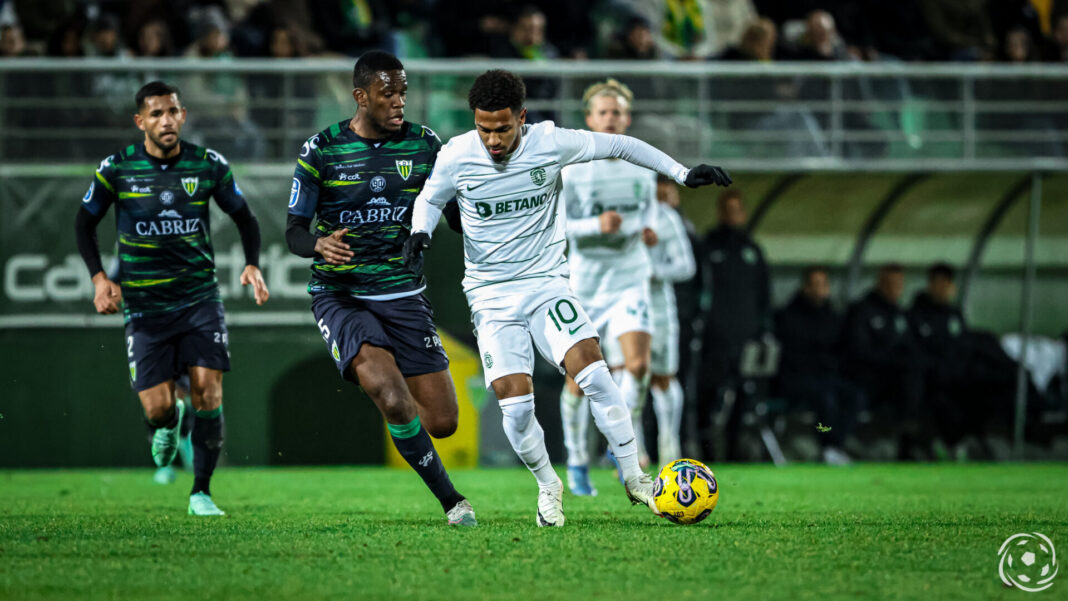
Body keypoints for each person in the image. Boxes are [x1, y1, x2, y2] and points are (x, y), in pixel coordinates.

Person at [404, 69, 731, 526]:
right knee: (515, 411)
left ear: (521, 117)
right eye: (484, 128)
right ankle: (548, 484)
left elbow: (620, 144)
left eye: (502, 128)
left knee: (597, 375)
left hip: (546, 283)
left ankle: (636, 478)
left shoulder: (551, 142)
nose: (493, 139)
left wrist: (680, 172)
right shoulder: (457, 154)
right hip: (491, 296)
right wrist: (420, 232)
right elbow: (430, 198)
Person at [285, 51, 475, 527]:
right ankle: (454, 502)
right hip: (341, 295)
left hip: (404, 294)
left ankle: (392, 397)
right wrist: (318, 245)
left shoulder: (424, 145)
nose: (398, 102)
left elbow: (452, 214)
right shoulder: (322, 150)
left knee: (443, 421)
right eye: (388, 93)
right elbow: (293, 232)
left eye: (403, 93)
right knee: (391, 397)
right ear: (360, 96)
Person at [74, 81, 270, 516]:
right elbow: (83, 224)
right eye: (156, 114)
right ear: (140, 121)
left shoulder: (207, 164)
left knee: (208, 394)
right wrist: (99, 279)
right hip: (144, 307)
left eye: (173, 112)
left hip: (199, 300)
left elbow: (245, 218)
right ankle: (163, 425)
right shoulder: (118, 168)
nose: (166, 120)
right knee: (161, 407)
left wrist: (252, 263)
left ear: (183, 116)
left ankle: (200, 492)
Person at [557, 78, 659, 496]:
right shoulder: (574, 169)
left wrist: (648, 231)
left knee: (637, 367)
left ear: (627, 118)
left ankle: (624, 452)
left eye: (617, 112)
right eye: (604, 112)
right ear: (590, 119)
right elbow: (559, 225)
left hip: (630, 277)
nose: (612, 118)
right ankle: (577, 460)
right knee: (578, 381)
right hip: (586, 283)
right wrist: (595, 226)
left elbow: (649, 218)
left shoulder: (643, 166)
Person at [697, 189, 770, 461]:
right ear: (720, 212)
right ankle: (707, 454)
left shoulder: (753, 251)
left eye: (737, 209)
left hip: (745, 339)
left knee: (743, 397)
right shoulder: (708, 247)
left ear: (744, 213)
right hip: (713, 340)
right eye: (727, 209)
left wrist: (763, 331)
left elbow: (764, 295)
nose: (732, 214)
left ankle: (734, 452)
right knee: (709, 394)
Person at [773, 266, 863, 465]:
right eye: (814, 284)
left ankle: (835, 445)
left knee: (854, 396)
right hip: (797, 380)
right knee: (825, 399)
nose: (819, 289)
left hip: (827, 378)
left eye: (823, 284)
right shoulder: (788, 316)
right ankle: (828, 444)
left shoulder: (833, 316)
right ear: (805, 287)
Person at [841, 263, 926, 459]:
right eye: (890, 283)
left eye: (899, 284)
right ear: (879, 283)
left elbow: (912, 348)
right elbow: (859, 351)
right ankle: (835, 441)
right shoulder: (862, 311)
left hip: (897, 380)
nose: (895, 288)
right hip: (868, 379)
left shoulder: (901, 315)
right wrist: (896, 361)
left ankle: (913, 439)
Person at [648, 175, 697, 464]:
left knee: (663, 377)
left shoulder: (666, 219)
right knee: (626, 375)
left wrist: (654, 271)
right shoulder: (615, 213)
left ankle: (670, 446)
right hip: (619, 303)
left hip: (659, 306)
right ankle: (632, 452)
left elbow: (686, 266)